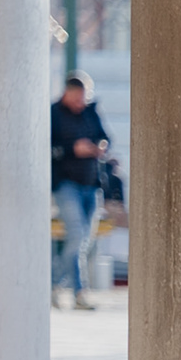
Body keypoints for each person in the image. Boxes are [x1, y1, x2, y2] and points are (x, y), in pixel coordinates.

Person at [52, 74, 112, 310]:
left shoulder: (90, 112)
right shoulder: (54, 114)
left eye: (84, 98)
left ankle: (57, 285)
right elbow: (47, 146)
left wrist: (99, 147)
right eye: (77, 98)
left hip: (91, 183)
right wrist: (72, 149)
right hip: (66, 183)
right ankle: (77, 290)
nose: (81, 103)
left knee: (84, 240)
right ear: (68, 93)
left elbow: (105, 138)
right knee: (76, 234)